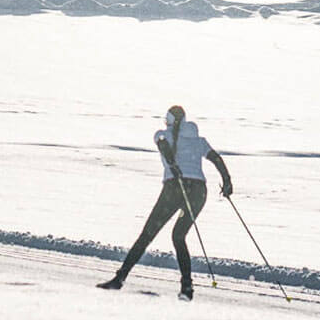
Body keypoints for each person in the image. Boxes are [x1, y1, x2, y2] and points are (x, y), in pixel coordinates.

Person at [97, 105, 234, 300]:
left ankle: (119, 279)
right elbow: (216, 159)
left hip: (174, 188)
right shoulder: (199, 141)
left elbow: (162, 144)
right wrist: (227, 181)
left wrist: (172, 164)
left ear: (168, 121)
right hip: (198, 192)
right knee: (179, 236)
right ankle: (187, 288)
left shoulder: (163, 135)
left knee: (147, 235)